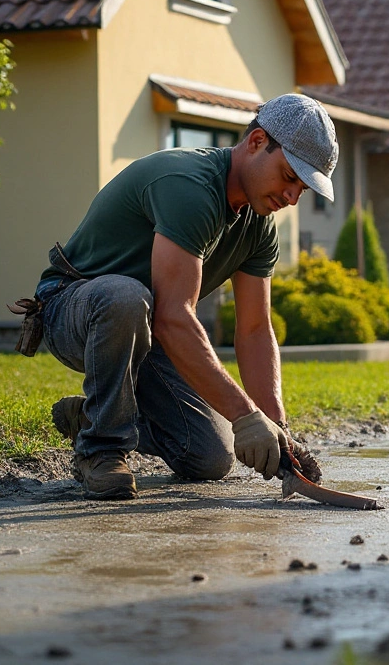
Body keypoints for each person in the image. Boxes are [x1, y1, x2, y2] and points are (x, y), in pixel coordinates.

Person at [22, 93, 333, 500]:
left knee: (211, 457)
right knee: (126, 296)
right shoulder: (190, 186)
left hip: (146, 329)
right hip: (74, 307)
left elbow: (256, 330)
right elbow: (174, 316)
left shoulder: (259, 226)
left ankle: (91, 416)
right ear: (257, 142)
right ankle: (101, 449)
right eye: (289, 176)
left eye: (303, 189)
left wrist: (276, 430)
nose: (292, 197)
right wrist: (245, 415)